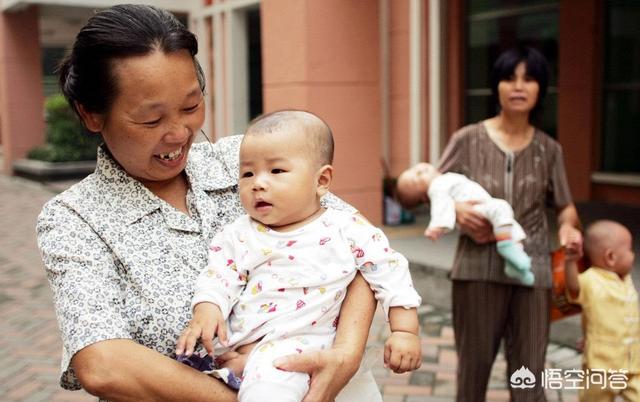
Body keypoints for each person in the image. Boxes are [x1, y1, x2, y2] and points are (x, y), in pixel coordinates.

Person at [36, 5, 381, 401]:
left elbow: (361, 247)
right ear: (91, 114)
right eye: (151, 121)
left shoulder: (248, 163)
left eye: (190, 106)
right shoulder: (75, 218)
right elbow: (103, 363)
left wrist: (346, 355)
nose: (179, 133)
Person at [176, 110, 423, 401]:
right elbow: (218, 275)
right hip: (250, 350)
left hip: (311, 348)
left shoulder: (347, 229)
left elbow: (390, 272)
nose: (258, 183)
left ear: (322, 181)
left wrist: (405, 330)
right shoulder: (240, 234)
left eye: (276, 171)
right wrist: (208, 307)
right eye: (247, 173)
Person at [437, 46, 583, 401]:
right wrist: (456, 211)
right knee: (472, 375)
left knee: (528, 377)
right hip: (475, 270)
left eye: (529, 78)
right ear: (496, 86)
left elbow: (565, 207)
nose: (519, 86)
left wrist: (568, 229)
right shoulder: (467, 139)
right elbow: (434, 188)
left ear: (540, 88)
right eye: (509, 77)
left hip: (533, 273)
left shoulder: (550, 150)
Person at [396, 162, 533, 285]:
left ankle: (513, 265)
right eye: (417, 178)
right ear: (425, 198)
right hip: (477, 208)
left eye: (415, 169)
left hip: (483, 207)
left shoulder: (443, 179)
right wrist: (436, 227)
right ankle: (505, 246)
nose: (420, 171)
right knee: (502, 207)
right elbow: (441, 207)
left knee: (514, 228)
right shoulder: (436, 186)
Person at [565, 220, 639, 401]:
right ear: (611, 257)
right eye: (629, 250)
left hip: (633, 364)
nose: (634, 255)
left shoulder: (625, 280)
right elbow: (573, 287)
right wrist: (570, 262)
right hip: (601, 367)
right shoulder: (591, 280)